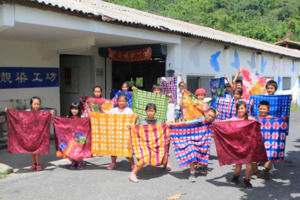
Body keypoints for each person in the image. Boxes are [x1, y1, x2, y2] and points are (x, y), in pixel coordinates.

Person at [129, 103, 171, 183]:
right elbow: (136, 130)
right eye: (149, 111)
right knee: (145, 158)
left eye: (152, 111)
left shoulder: (159, 122)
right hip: (145, 145)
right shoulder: (142, 123)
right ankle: (133, 174)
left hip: (156, 144)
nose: (150, 113)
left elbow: (163, 132)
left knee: (163, 148)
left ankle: (165, 163)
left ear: (155, 112)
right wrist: (130, 126)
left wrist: (167, 125)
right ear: (146, 112)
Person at [174, 108, 217, 182]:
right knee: (192, 154)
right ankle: (192, 173)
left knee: (203, 154)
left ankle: (201, 167)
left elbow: (222, 123)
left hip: (203, 141)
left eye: (212, 117)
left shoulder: (211, 122)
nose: (210, 118)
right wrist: (172, 124)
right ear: (205, 113)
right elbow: (186, 123)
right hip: (192, 140)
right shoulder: (199, 120)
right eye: (209, 115)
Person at [107, 94, 138, 170]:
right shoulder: (113, 110)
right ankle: (113, 162)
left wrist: (136, 118)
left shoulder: (129, 110)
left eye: (123, 101)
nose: (121, 102)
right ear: (117, 102)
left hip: (125, 134)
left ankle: (133, 164)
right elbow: (106, 118)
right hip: (115, 134)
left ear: (126, 102)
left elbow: (133, 122)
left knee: (127, 150)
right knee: (113, 150)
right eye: (120, 101)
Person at [230, 101, 254, 189]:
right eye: (238, 108)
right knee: (238, 165)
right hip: (237, 145)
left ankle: (247, 180)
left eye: (242, 108)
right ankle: (235, 176)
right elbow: (223, 123)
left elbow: (262, 121)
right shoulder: (233, 119)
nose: (240, 110)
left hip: (248, 145)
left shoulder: (251, 119)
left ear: (246, 109)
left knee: (249, 164)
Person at [67, 101, 86, 170]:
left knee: (78, 151)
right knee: (70, 153)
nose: (74, 111)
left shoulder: (82, 117)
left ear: (79, 110)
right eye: (73, 109)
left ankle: (81, 162)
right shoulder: (67, 118)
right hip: (71, 138)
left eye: (76, 109)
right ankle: (74, 161)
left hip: (80, 138)